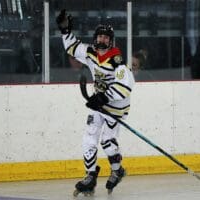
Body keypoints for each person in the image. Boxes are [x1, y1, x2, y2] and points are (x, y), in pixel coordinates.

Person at [56, 10, 135, 195]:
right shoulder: (90, 52)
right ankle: (90, 177)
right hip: (98, 104)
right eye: (100, 36)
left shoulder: (117, 61)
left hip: (115, 106)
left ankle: (117, 170)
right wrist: (65, 31)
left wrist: (103, 97)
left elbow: (125, 87)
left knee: (107, 142)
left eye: (106, 38)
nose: (102, 40)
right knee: (88, 138)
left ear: (111, 41)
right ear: (95, 38)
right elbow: (72, 48)